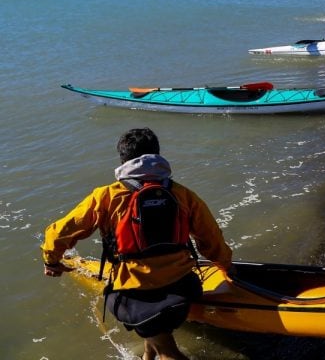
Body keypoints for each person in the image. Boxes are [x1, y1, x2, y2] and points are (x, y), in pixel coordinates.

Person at [41, 128, 233, 360]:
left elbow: (60, 232)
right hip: (183, 288)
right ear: (158, 155)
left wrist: (51, 261)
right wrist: (225, 266)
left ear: (122, 159)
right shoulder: (184, 194)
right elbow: (211, 238)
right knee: (154, 336)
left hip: (136, 298)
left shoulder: (106, 196)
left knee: (168, 352)